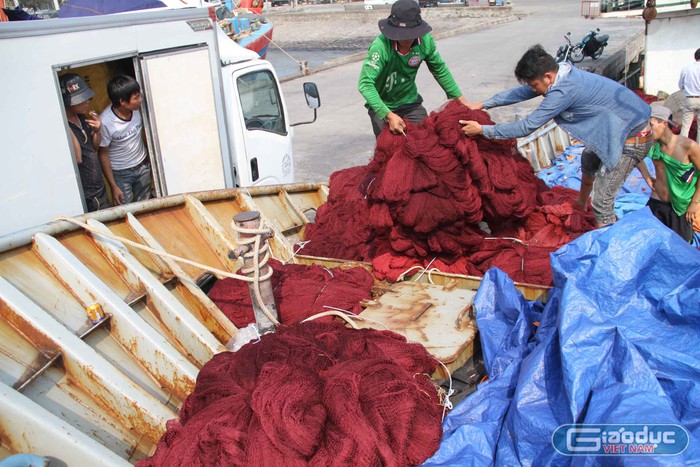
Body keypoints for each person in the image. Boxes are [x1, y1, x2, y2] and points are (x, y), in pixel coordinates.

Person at [460, 44, 651, 227]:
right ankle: (581, 202)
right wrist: (485, 104)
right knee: (588, 159)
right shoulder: (563, 72)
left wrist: (483, 130)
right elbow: (522, 92)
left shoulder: (563, 91)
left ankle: (607, 246)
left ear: (548, 77)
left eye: (535, 85)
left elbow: (527, 127)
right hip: (614, 132)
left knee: (602, 202)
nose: (533, 90)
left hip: (631, 139)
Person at [358, 0, 469, 138]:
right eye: (401, 34)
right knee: (390, 148)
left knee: (427, 140)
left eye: (410, 34)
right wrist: (388, 115)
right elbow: (365, 85)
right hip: (382, 104)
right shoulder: (380, 47)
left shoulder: (426, 42)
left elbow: (440, 70)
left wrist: (462, 101)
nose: (406, 39)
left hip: (410, 102)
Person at [636, 104, 700, 242]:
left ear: (664, 123)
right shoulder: (651, 144)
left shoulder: (688, 146)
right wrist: (647, 176)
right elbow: (633, 154)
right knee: (648, 243)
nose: (648, 129)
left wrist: (694, 203)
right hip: (656, 201)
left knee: (680, 250)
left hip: (680, 207)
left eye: (651, 125)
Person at [59, 73, 109, 212]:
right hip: (87, 195)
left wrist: (98, 131)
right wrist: (63, 121)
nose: (87, 101)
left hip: (99, 189)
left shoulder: (81, 118)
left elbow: (93, 148)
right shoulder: (64, 126)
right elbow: (78, 157)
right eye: (81, 99)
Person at [99, 74, 151, 205]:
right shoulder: (106, 121)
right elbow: (103, 153)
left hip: (142, 167)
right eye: (136, 97)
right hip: (121, 174)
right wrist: (113, 186)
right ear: (122, 102)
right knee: (124, 211)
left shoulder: (139, 110)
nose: (140, 99)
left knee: (145, 206)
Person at [678, 48, 700, 144]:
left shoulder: (686, 69)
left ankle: (682, 148)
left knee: (685, 126)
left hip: (690, 99)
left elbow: (680, 85)